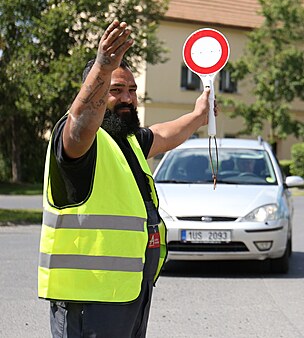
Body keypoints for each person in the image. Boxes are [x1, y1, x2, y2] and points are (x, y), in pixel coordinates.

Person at [37, 20, 217, 338]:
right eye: (115, 90)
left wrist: (198, 116)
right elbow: (80, 120)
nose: (127, 99)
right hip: (89, 300)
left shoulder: (127, 140)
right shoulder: (77, 142)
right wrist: (103, 68)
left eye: (132, 91)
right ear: (94, 91)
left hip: (128, 291)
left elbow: (162, 134)